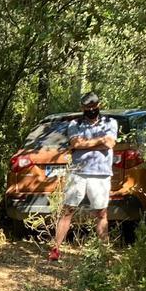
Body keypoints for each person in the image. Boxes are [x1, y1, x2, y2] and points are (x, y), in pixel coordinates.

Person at [49, 92, 117, 261]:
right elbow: (75, 143)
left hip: (100, 174)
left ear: (99, 105)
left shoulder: (110, 122)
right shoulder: (74, 123)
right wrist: (97, 142)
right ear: (82, 108)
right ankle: (55, 250)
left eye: (94, 107)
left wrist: (84, 144)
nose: (92, 110)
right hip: (77, 172)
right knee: (67, 210)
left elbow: (109, 143)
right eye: (88, 108)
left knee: (101, 213)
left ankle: (103, 253)